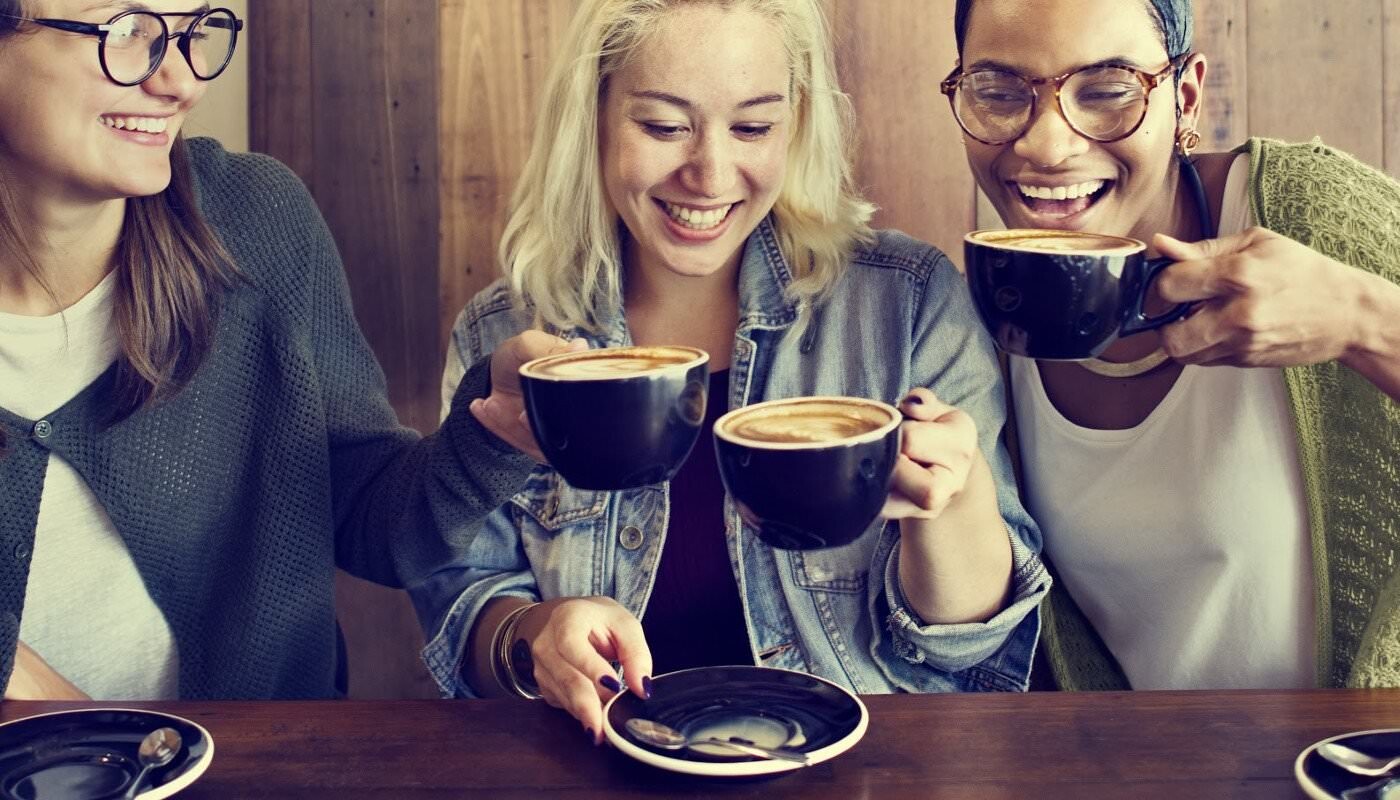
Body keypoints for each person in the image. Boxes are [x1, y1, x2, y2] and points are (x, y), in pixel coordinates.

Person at [414, 0, 1049, 742]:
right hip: (597, 767)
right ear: (592, 115)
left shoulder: (907, 302)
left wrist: (953, 495)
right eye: (663, 125)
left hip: (863, 767)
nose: (709, 174)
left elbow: (968, 646)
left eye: (752, 127)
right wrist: (536, 634)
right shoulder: (505, 334)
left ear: (797, 123)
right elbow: (462, 599)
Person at [0, 0, 564, 700]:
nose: (182, 82)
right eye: (129, 31)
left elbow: (377, 527)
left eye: (193, 32)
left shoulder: (256, 219)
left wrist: (490, 434)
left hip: (269, 769)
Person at [944, 0, 1400, 690]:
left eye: (1105, 92)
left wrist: (1363, 319)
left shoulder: (1303, 209)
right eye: (1001, 93)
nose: (1046, 145)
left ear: (1185, 99)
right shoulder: (986, 314)